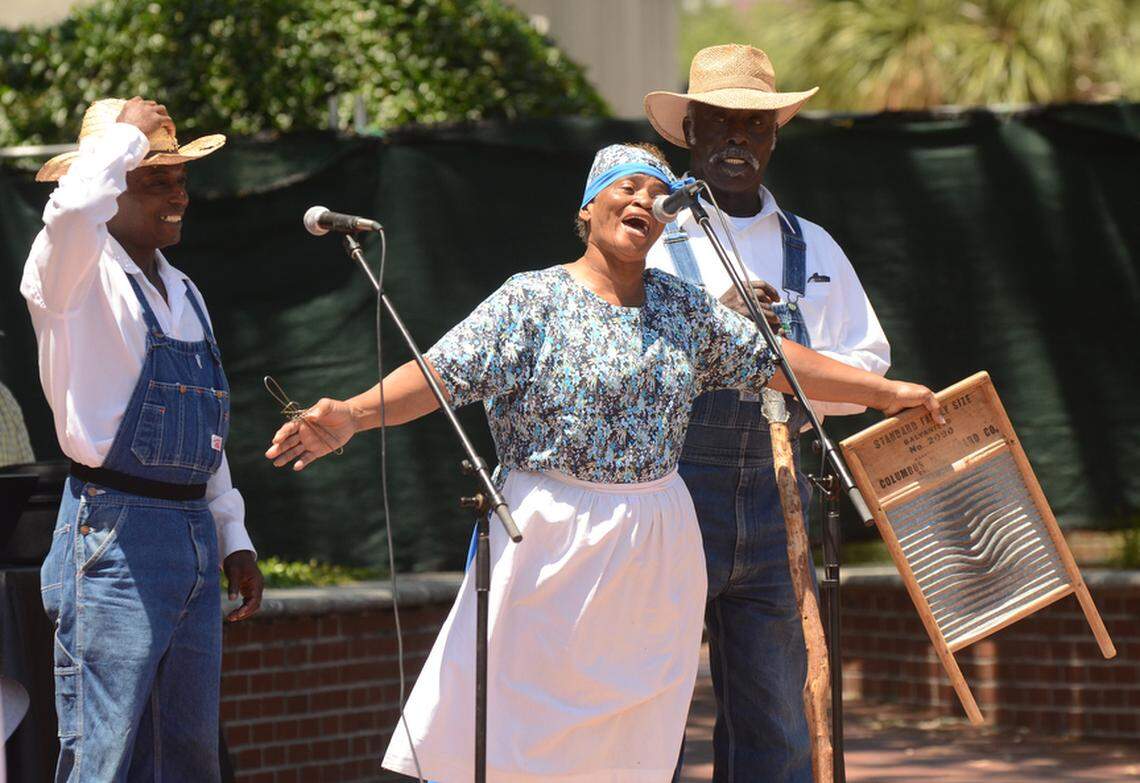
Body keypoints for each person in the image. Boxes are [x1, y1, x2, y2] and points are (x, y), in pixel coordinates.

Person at [265, 143, 939, 782]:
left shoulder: (682, 308)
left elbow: (778, 362)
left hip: (655, 540)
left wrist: (881, 391)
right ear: (588, 207)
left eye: (659, 193)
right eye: (629, 187)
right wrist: (352, 412)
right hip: (551, 536)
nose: (646, 200)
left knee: (631, 734)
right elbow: (442, 373)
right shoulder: (531, 299)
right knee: (526, 729)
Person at [644, 44, 891, 781]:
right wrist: (713, 338)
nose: (735, 141)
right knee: (647, 701)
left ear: (775, 136)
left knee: (778, 717)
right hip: (672, 493)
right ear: (688, 132)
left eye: (752, 126)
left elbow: (867, 369)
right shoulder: (652, 241)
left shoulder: (813, 249)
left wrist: (793, 354)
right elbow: (622, 377)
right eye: (718, 123)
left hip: (783, 494)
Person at [20, 97, 263, 782]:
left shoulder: (184, 289)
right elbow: (70, 211)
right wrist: (126, 132)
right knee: (105, 752)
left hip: (188, 535)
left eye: (182, 178)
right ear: (113, 182)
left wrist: (231, 534)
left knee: (186, 755)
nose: (178, 193)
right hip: (114, 534)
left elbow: (206, 432)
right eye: (157, 178)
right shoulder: (69, 272)